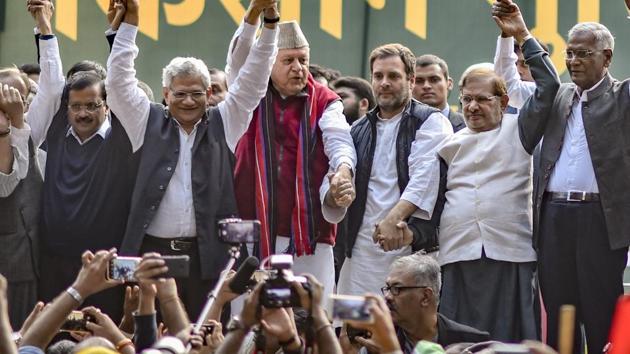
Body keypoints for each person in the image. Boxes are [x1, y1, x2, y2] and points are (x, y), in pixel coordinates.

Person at [106, 0, 279, 319]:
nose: (189, 101)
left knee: (207, 337)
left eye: (197, 93)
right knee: (152, 339)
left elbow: (253, 82)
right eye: (180, 93)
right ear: (165, 93)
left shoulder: (226, 120)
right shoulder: (145, 120)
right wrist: (130, 24)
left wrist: (267, 22)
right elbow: (118, 83)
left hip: (210, 259)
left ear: (209, 91)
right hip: (152, 255)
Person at [494, 0, 630, 351]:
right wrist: (520, 34)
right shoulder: (556, 96)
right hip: (552, 219)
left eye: (583, 54)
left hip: (601, 221)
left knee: (602, 316)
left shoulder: (622, 98)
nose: (573, 62)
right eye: (569, 54)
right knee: (558, 317)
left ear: (607, 57)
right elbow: (512, 82)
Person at [425, 0, 560, 341]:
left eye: (482, 99)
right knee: (458, 341)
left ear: (503, 103)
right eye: (466, 98)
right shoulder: (449, 143)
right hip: (458, 255)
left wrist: (519, 35)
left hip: (508, 254)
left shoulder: (520, 129)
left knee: (506, 341)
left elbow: (548, 89)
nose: (472, 106)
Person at [25, 0, 137, 320]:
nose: (83, 112)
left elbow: (122, 81)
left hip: (105, 269)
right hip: (54, 265)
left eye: (92, 105)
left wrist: (117, 32)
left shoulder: (122, 138)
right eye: (76, 106)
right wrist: (44, 27)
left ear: (107, 105)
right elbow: (49, 81)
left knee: (103, 338)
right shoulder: (55, 129)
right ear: (67, 106)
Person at [230, 19, 356, 301]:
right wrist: (255, 15)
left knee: (312, 321)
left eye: (303, 60)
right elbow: (238, 56)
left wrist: (344, 171)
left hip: (308, 237)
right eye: (288, 60)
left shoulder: (325, 100)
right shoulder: (250, 93)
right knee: (248, 322)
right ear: (269, 63)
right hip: (251, 232)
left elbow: (339, 141)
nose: (298, 68)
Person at [332, 43, 452, 297]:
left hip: (411, 251)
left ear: (410, 80)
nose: (384, 83)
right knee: (353, 328)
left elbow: (424, 179)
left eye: (394, 76)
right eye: (378, 76)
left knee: (407, 332)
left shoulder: (431, 121)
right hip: (359, 256)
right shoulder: (358, 129)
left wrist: (391, 221)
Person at [343, 253, 490, 353]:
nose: (387, 296)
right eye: (387, 288)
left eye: (397, 289)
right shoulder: (375, 338)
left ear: (426, 296)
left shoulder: (471, 342)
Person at [0, 68, 40, 330]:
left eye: (18, 97)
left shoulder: (29, 127)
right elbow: (5, 185)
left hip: (27, 260)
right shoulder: (11, 129)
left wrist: (15, 123)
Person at [412, 55, 465, 132]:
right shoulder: (400, 127)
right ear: (410, 85)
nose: (426, 86)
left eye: (434, 80)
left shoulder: (468, 126)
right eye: (419, 81)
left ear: (449, 84)